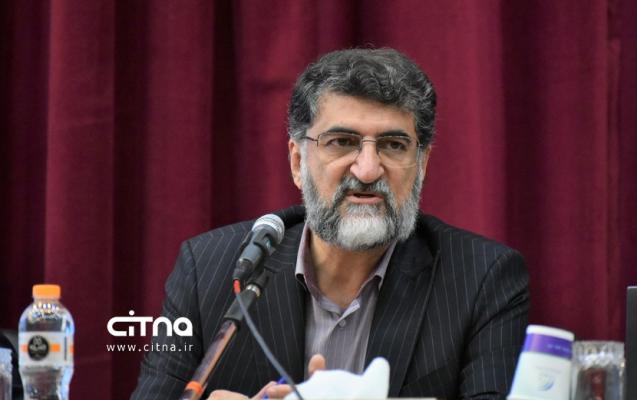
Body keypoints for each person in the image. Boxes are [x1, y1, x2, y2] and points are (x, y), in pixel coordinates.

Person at [131, 48, 529, 400]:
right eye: (342, 142)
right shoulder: (208, 269)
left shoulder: (482, 278)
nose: (368, 170)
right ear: (297, 162)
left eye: (393, 145)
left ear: (421, 165)